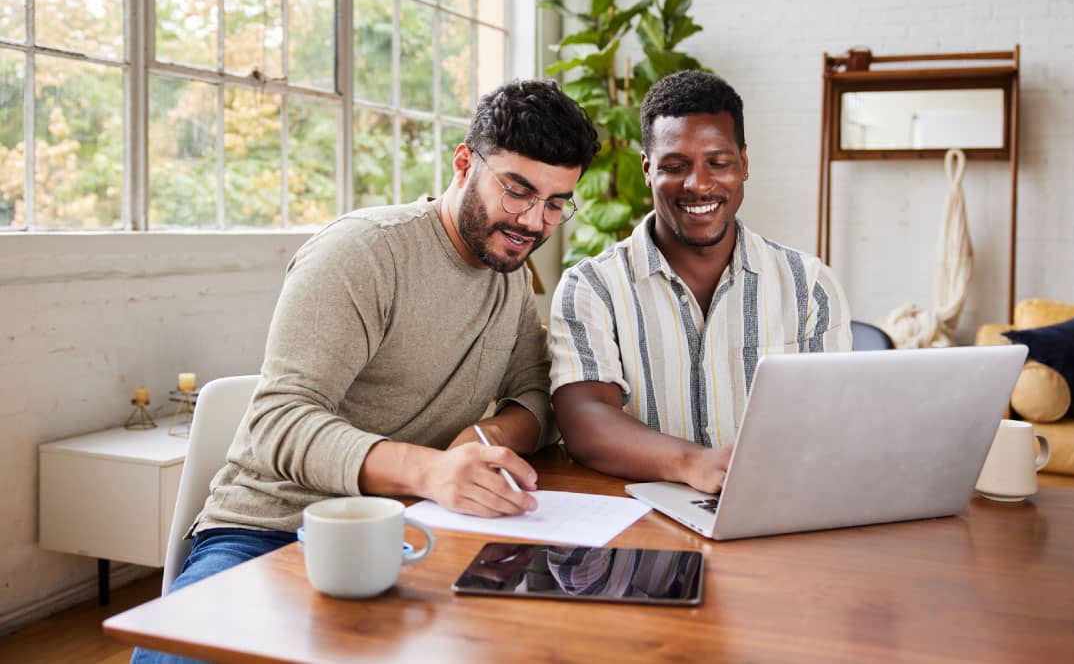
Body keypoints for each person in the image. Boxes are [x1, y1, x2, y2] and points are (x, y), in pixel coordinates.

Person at [132, 79, 598, 664]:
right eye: (517, 191)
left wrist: (484, 438)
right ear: (463, 164)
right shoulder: (362, 254)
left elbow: (537, 392)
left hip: (408, 526)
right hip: (276, 525)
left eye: (556, 203)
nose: (533, 221)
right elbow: (280, 418)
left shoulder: (507, 274)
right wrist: (429, 470)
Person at [549, 70, 851, 495]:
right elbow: (584, 421)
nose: (699, 184)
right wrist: (693, 463)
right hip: (639, 527)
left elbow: (831, 423)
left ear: (743, 163)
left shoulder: (809, 287)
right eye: (675, 165)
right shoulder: (591, 288)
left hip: (774, 510)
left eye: (718, 162)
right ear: (647, 169)